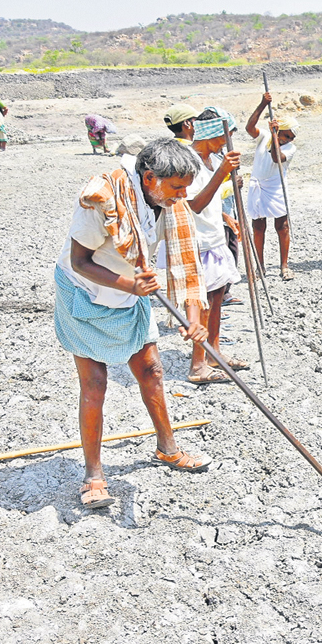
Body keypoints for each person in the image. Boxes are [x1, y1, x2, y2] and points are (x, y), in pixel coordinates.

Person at [53, 139, 212, 509]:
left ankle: (167, 449)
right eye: (177, 188)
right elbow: (80, 261)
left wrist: (193, 322)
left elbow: (187, 264)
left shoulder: (167, 203)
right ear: (150, 177)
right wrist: (131, 284)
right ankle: (93, 475)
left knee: (152, 370)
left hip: (132, 293)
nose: (182, 196)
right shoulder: (103, 198)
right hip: (85, 295)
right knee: (95, 383)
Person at [180, 106, 246, 383]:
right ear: (210, 135)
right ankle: (198, 366)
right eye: (223, 136)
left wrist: (225, 216)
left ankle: (213, 353)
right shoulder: (190, 162)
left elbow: (209, 201)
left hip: (214, 236)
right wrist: (222, 173)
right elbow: (193, 204)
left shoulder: (211, 159)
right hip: (198, 242)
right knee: (203, 304)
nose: (226, 141)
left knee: (217, 299)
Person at [245, 92, 297, 280]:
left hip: (276, 187)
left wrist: (276, 136)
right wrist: (262, 104)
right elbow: (249, 127)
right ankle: (260, 267)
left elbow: (276, 158)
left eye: (291, 137)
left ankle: (284, 265)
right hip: (258, 185)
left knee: (282, 226)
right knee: (258, 227)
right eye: (286, 135)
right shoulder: (265, 136)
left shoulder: (290, 148)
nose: (288, 140)